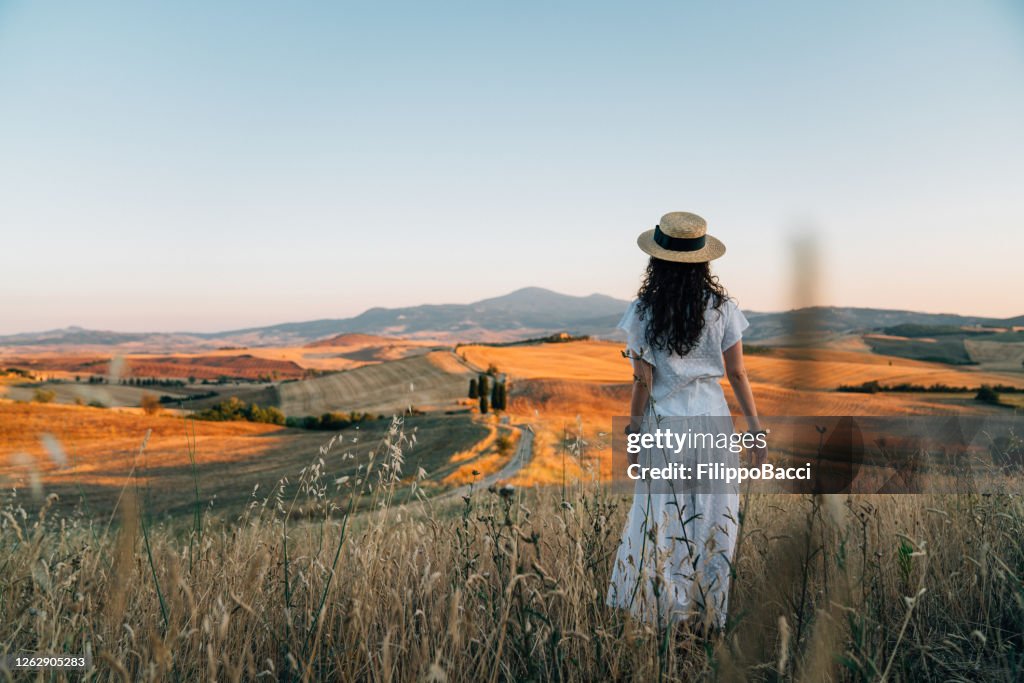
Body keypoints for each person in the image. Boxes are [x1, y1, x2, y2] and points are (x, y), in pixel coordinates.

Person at [606, 211, 765, 633]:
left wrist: (634, 434)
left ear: (655, 261)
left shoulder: (642, 310)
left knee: (661, 517)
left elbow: (642, 380)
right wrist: (755, 427)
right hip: (713, 426)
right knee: (714, 518)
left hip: (665, 427)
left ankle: (663, 618)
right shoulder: (724, 308)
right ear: (703, 261)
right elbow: (738, 374)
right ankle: (708, 616)